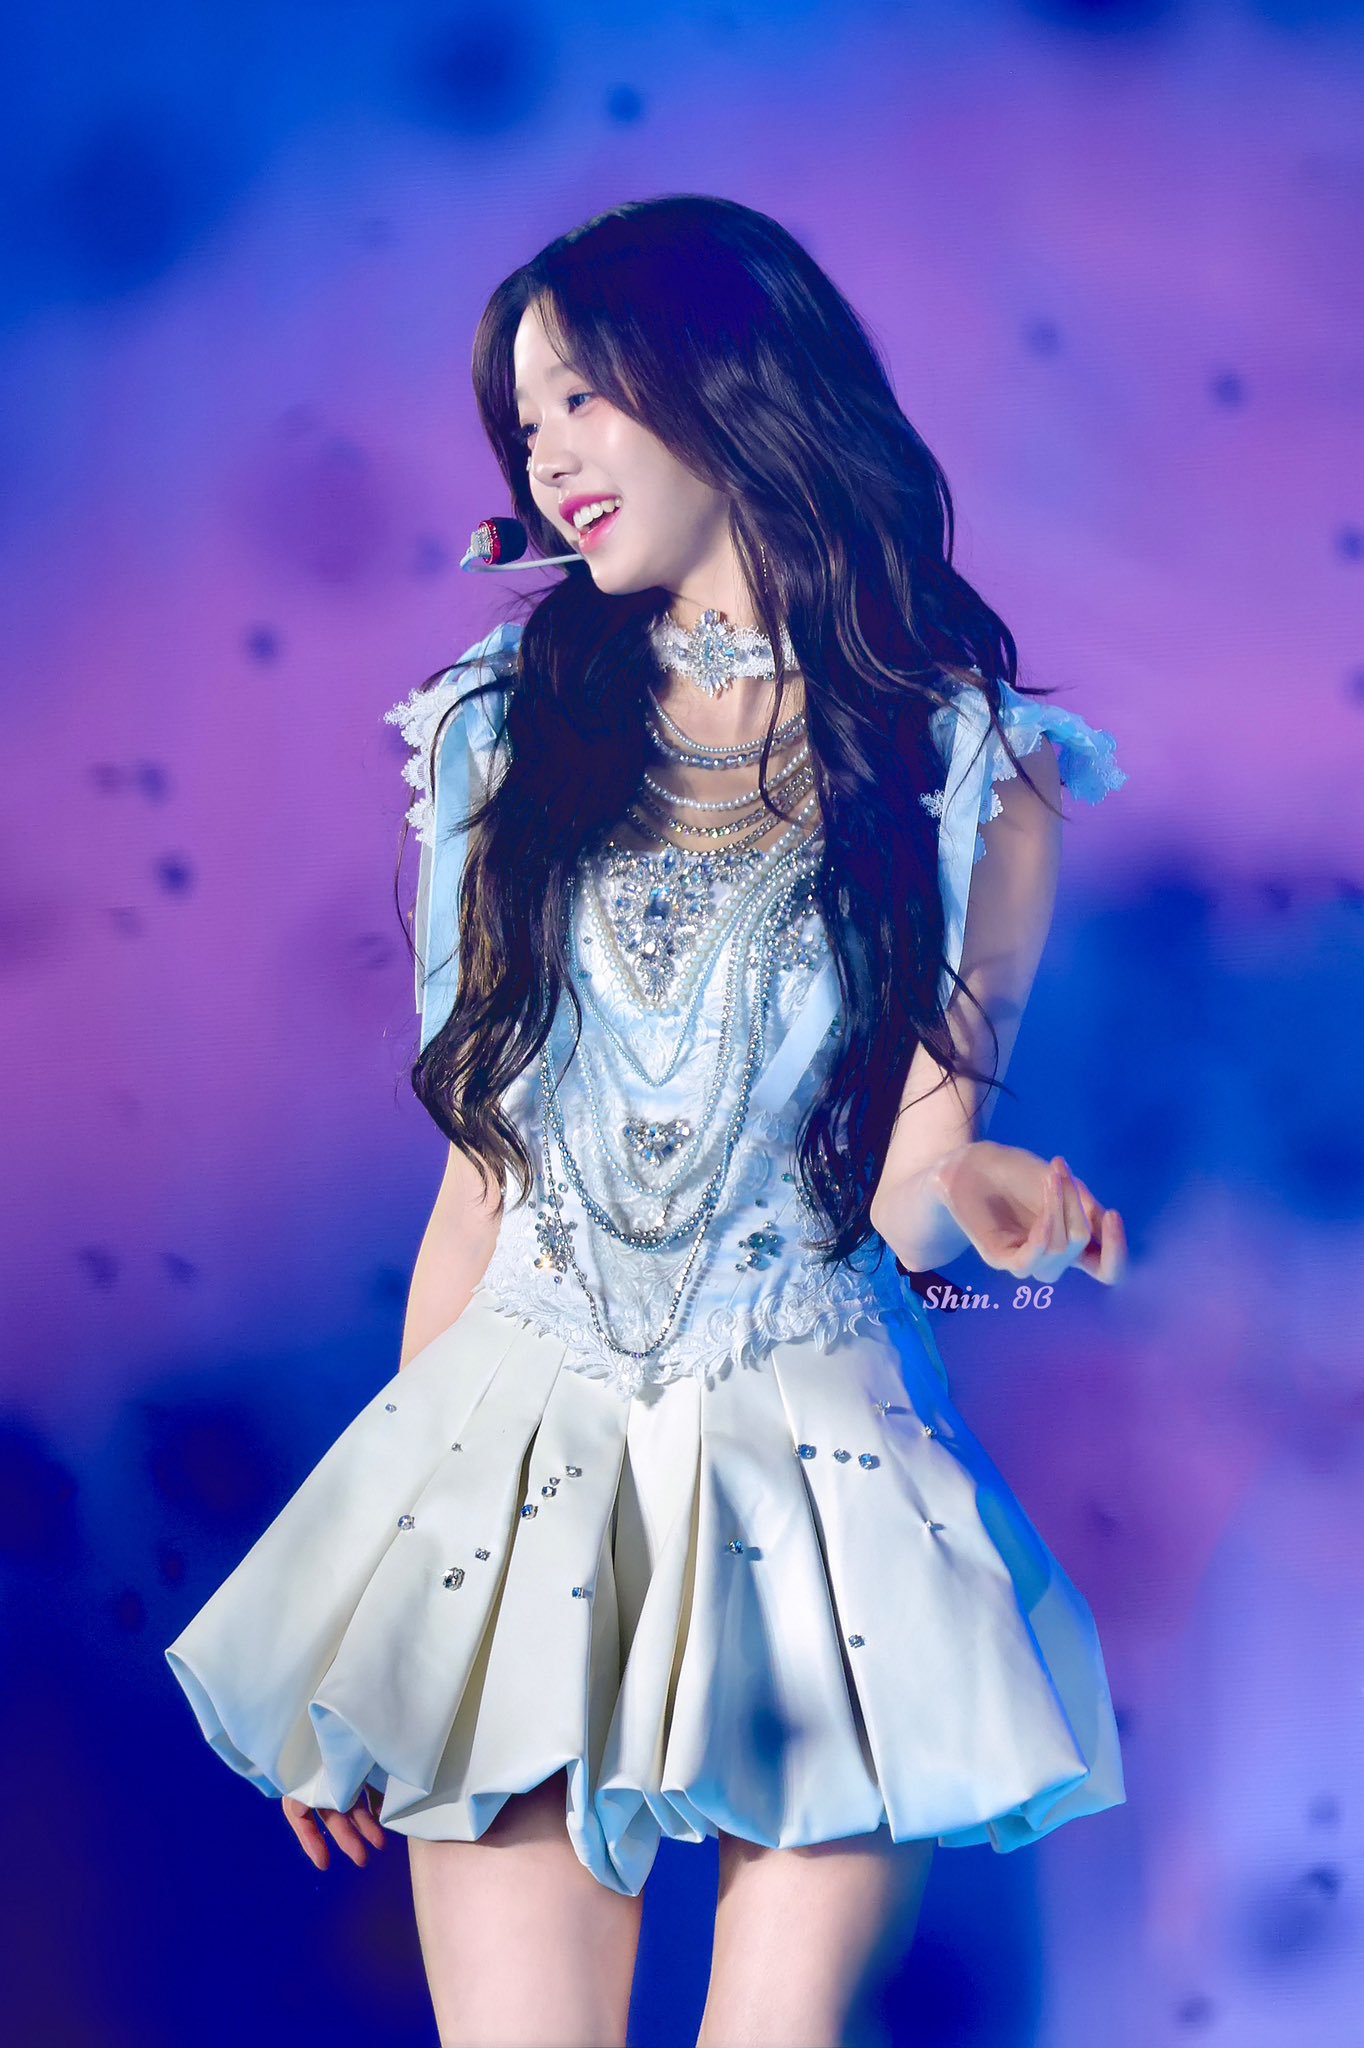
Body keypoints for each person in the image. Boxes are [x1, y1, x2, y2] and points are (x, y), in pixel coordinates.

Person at [166, 194, 1131, 2048]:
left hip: (823, 1469)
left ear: (733, 385)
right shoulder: (493, 734)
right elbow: (482, 1182)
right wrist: (377, 1606)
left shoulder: (971, 763)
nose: (545, 456)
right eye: (524, 421)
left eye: (585, 398)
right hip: (515, 1471)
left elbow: (915, 1181)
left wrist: (985, 1193)